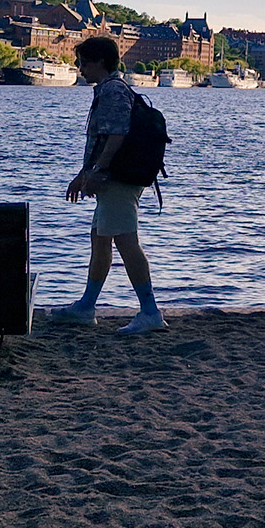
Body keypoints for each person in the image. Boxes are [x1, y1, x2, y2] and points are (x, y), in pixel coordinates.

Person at [50, 36, 167, 334]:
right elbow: (102, 139)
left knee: (126, 241)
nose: (80, 68)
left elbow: (116, 135)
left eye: (84, 62)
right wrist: (84, 173)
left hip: (117, 180)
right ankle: (87, 306)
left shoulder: (113, 91)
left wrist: (95, 172)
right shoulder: (111, 89)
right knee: (99, 239)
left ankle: (150, 311)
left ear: (101, 61)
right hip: (110, 179)